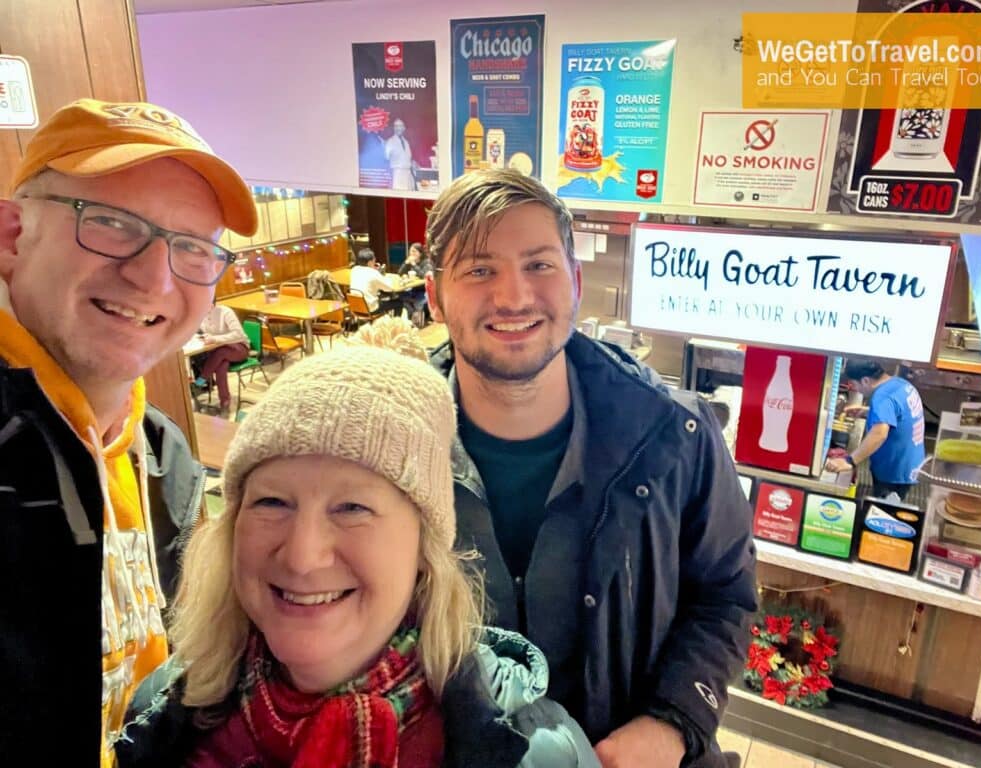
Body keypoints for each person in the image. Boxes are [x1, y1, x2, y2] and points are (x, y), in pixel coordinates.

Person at [117, 317, 600, 768]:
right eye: (271, 503)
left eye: (352, 508)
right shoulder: (161, 717)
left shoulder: (537, 753)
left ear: (422, 549)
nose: (303, 557)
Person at [424, 168, 757, 768]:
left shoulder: (673, 438)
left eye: (539, 265)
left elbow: (725, 596)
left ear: (575, 280)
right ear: (434, 295)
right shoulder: (389, 446)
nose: (514, 296)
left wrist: (673, 721)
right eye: (478, 269)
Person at [0, 98, 258, 767]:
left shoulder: (161, 454)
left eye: (193, 248)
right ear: (11, 235)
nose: (154, 278)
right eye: (112, 224)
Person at [825, 359, 926, 501]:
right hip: (910, 462)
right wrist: (869, 411)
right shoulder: (900, 384)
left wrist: (850, 461)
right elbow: (900, 413)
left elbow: (879, 434)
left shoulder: (881, 397)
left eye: (854, 384)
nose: (856, 389)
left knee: (884, 511)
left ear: (865, 380)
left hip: (894, 471)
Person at [195, 303, 250, 414]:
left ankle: (201, 381)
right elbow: (202, 331)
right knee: (221, 366)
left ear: (211, 303)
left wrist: (215, 339)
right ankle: (225, 403)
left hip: (239, 348)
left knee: (221, 352)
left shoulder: (225, 312)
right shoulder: (200, 313)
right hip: (219, 352)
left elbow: (238, 334)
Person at [350, 246, 403, 316]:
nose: (375, 262)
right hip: (370, 309)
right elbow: (389, 288)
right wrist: (381, 275)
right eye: (374, 260)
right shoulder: (373, 273)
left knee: (380, 296)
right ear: (369, 262)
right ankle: (396, 325)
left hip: (356, 308)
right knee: (398, 303)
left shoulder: (354, 269)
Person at [398, 241, 433, 325]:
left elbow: (424, 276)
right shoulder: (409, 261)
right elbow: (400, 273)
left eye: (414, 251)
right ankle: (413, 314)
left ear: (420, 253)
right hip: (413, 288)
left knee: (419, 301)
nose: (411, 253)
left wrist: (413, 264)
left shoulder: (427, 262)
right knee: (400, 297)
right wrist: (406, 263)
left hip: (424, 290)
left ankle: (417, 318)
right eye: (410, 251)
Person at [383, 118, 416, 191]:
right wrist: (384, 147)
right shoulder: (390, 141)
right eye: (396, 126)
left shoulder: (406, 142)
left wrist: (413, 163)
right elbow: (386, 158)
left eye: (400, 126)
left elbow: (407, 157)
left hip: (408, 174)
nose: (398, 128)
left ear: (404, 128)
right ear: (394, 128)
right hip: (397, 174)